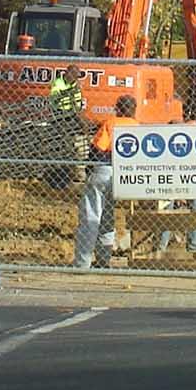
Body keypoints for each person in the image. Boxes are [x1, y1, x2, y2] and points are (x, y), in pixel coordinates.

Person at [75, 94, 137, 269]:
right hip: (126, 175)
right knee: (108, 216)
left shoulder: (110, 123)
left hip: (105, 169)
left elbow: (97, 150)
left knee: (91, 215)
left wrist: (89, 170)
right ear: (134, 110)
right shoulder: (139, 127)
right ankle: (104, 260)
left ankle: (82, 263)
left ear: (117, 109)